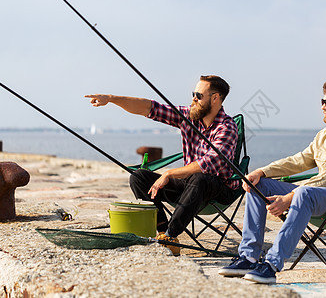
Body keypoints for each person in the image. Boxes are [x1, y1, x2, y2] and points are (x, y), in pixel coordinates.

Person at [218, 78, 326, 284]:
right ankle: (248, 256)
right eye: (322, 101)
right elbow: (299, 160)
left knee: (304, 192)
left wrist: (289, 197)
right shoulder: (324, 135)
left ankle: (271, 265)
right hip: (321, 197)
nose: (323, 106)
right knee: (258, 184)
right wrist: (261, 171)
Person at [86, 75, 238, 256]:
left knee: (200, 178)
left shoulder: (227, 127)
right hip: (189, 185)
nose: (193, 99)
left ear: (215, 98)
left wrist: (169, 174)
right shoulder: (189, 117)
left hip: (218, 189)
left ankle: (171, 234)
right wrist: (111, 99)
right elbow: (150, 108)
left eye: (199, 95)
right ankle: (164, 233)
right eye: (193, 94)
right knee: (139, 177)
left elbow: (211, 163)